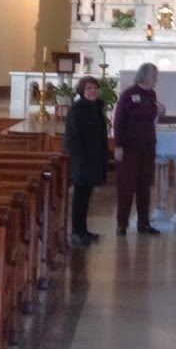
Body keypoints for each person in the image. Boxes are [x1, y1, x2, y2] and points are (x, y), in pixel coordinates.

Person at [113, 61, 164, 235]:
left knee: (144, 185)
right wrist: (118, 145)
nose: (156, 80)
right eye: (154, 77)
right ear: (146, 76)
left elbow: (152, 119)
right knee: (127, 185)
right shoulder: (129, 94)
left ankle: (144, 223)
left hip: (148, 145)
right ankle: (122, 224)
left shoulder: (152, 95)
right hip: (129, 147)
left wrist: (160, 112)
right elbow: (119, 121)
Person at [63, 77, 108, 247]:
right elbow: (74, 135)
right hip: (82, 159)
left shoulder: (96, 107)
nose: (93, 91)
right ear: (82, 91)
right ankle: (76, 232)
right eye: (89, 88)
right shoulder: (78, 108)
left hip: (93, 157)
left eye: (95, 88)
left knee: (86, 196)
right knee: (80, 196)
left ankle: (83, 231)